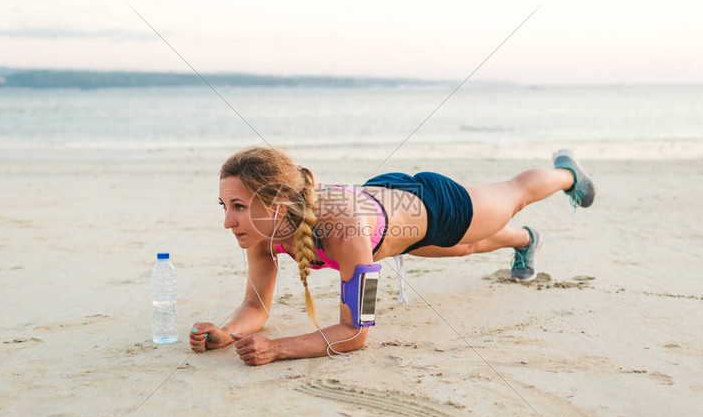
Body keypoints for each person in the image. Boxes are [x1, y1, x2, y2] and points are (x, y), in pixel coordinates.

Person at [189, 146, 595, 365]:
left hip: (438, 206)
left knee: (513, 195)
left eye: (238, 206)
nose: (228, 221)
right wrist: (230, 333)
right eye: (224, 206)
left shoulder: (343, 228)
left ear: (277, 201)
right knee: (467, 249)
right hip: (386, 204)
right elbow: (254, 307)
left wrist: (278, 349)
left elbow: (356, 331)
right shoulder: (261, 231)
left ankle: (568, 174)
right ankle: (525, 241)